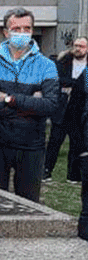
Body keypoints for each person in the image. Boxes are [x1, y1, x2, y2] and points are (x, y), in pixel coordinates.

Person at [0, 8, 59, 203]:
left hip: (32, 145)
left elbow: (50, 105)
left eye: (27, 28)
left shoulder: (46, 66)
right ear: (6, 32)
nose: (22, 33)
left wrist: (8, 99)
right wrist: (31, 103)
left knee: (29, 205)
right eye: (17, 28)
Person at [44, 37, 88, 183]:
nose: (78, 48)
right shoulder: (64, 62)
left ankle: (73, 175)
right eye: (76, 45)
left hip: (79, 110)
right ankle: (46, 171)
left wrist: (72, 86)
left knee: (77, 144)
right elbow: (58, 80)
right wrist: (75, 84)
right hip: (62, 109)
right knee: (54, 142)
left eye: (81, 46)